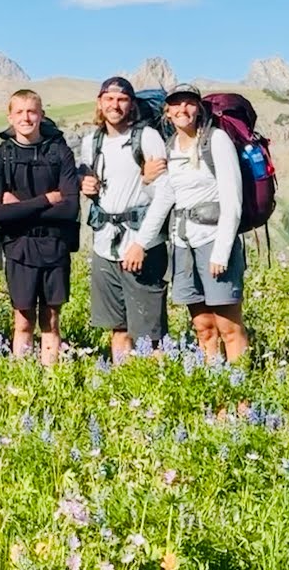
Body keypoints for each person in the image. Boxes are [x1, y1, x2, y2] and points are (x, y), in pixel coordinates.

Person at [129, 84, 247, 363]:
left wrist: (221, 252)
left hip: (213, 241)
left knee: (228, 327)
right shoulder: (171, 147)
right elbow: (164, 199)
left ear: (198, 108)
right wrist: (140, 242)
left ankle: (241, 387)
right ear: (167, 112)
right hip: (183, 245)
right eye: (176, 104)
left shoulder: (216, 140)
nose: (183, 109)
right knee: (203, 327)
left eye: (189, 103)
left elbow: (233, 200)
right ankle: (212, 383)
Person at [78, 77, 169, 363]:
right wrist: (86, 186)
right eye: (109, 99)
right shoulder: (91, 142)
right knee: (117, 328)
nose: (114, 105)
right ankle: (121, 382)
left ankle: (153, 383)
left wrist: (141, 244)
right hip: (105, 245)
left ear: (131, 104)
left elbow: (164, 195)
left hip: (141, 244)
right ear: (100, 102)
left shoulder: (147, 137)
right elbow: (95, 184)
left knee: (149, 334)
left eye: (122, 99)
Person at [0, 89, 80, 365]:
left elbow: (70, 208)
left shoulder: (60, 152)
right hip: (19, 248)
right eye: (19, 112)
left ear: (42, 115)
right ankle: (23, 377)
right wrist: (47, 200)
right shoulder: (0, 156)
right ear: (10, 117)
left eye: (32, 112)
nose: (26, 118)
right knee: (23, 320)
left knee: (51, 321)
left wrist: (20, 208)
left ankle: (50, 379)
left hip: (55, 247)